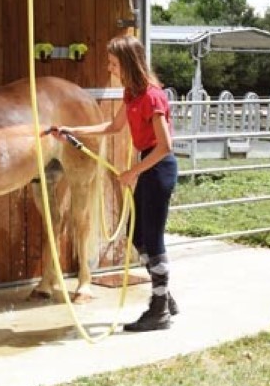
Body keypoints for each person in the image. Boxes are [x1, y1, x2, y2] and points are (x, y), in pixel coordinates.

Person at [52, 34, 179, 332]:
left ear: (127, 63)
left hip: (159, 168)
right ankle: (165, 297)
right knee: (137, 238)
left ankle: (159, 310)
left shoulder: (152, 96)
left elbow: (165, 146)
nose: (109, 68)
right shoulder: (131, 95)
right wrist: (72, 130)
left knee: (154, 239)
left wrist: (133, 171)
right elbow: (113, 127)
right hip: (148, 165)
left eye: (112, 63)